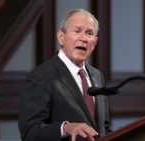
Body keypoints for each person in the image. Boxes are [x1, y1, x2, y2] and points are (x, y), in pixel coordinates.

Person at [18, 9, 112, 141]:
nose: (83, 38)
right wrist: (66, 128)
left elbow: (103, 128)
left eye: (89, 33)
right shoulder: (41, 76)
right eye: (77, 31)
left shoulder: (97, 75)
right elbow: (30, 132)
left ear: (94, 43)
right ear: (61, 37)